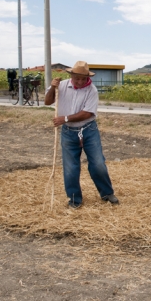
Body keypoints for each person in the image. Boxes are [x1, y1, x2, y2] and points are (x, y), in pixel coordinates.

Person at [44, 61, 118, 209]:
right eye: (77, 78)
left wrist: (64, 118)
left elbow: (87, 113)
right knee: (70, 167)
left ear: (87, 77)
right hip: (68, 132)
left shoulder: (92, 90)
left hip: (88, 130)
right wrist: (52, 87)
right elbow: (47, 101)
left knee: (98, 164)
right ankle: (74, 199)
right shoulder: (62, 86)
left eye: (83, 78)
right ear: (71, 75)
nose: (80, 81)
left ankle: (107, 193)